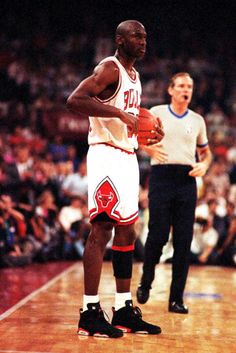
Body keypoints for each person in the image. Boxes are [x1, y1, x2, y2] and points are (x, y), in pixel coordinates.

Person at [66, 20, 163, 338]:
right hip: (106, 155)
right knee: (102, 228)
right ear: (120, 40)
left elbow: (131, 116)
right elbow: (75, 100)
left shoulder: (135, 76)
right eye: (137, 35)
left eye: (145, 36)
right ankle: (89, 311)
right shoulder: (109, 68)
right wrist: (121, 115)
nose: (143, 40)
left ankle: (123, 308)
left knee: (127, 231)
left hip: (127, 156)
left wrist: (149, 126)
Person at [136, 72, 212, 314]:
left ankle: (176, 299)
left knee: (183, 241)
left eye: (189, 86)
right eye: (180, 85)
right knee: (157, 235)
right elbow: (138, 138)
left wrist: (205, 165)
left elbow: (206, 153)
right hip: (161, 177)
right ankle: (146, 281)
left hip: (187, 180)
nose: (185, 89)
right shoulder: (156, 112)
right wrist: (149, 151)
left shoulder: (198, 120)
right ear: (170, 89)